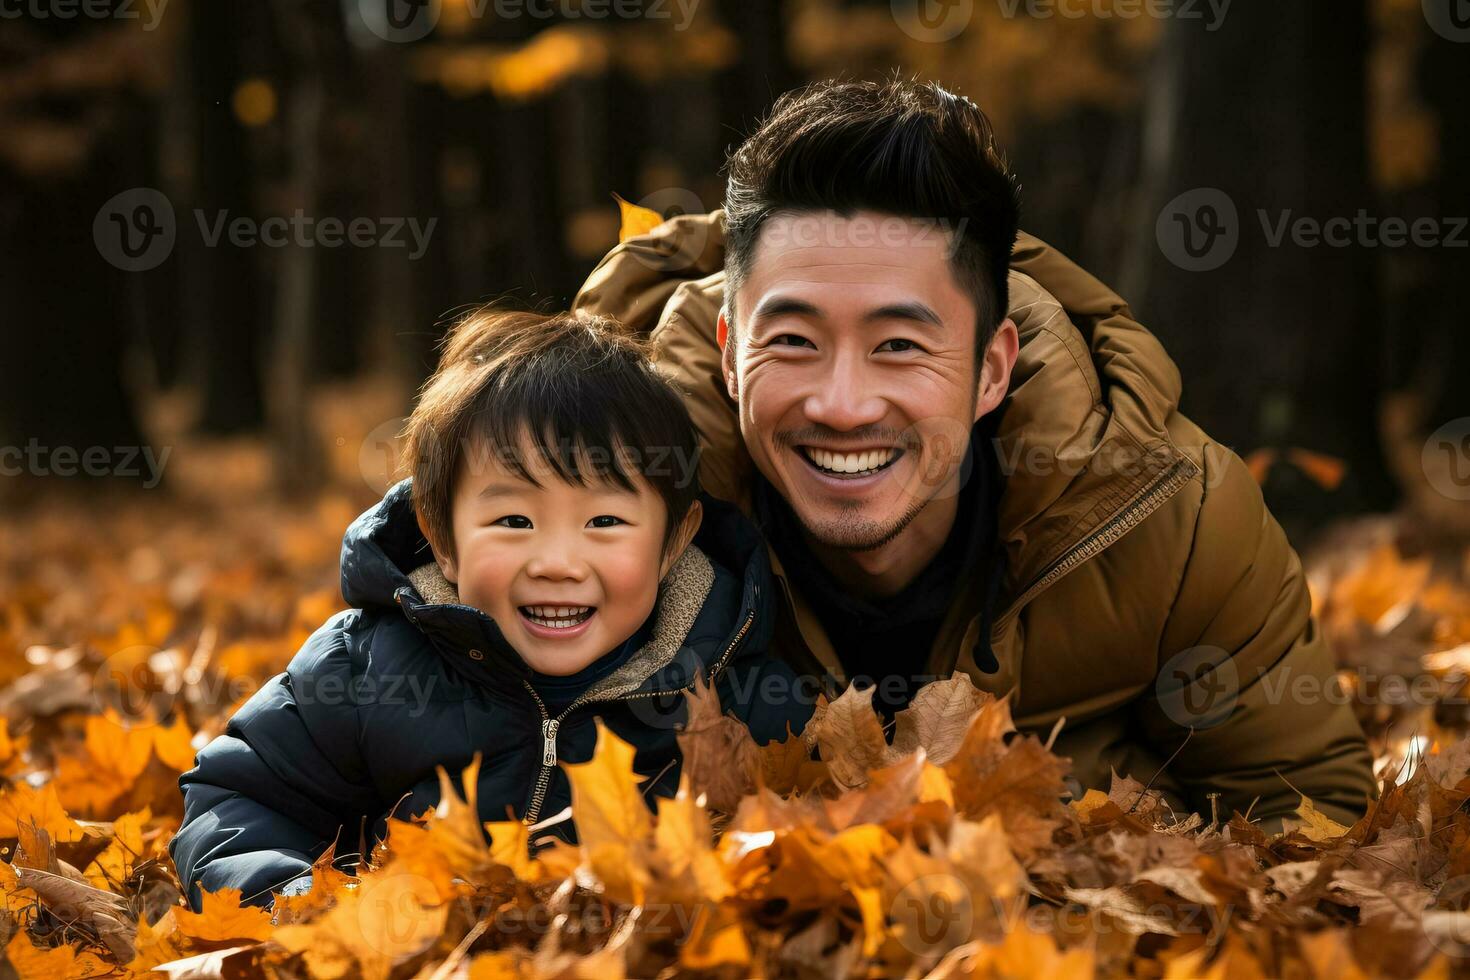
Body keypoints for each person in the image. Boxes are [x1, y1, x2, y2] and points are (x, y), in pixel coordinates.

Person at [573, 77, 1378, 830]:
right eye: (792, 341)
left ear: (992, 368)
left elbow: (1317, 832)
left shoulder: (1173, 519)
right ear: (727, 357)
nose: (843, 406)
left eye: (898, 345)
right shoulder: (579, 514)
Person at [168, 309, 812, 911]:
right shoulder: (366, 667)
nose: (557, 562)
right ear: (442, 538)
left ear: (674, 540)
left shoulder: (731, 675)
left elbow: (828, 817)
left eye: (605, 521)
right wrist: (303, 903)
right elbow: (241, 798)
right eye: (514, 520)